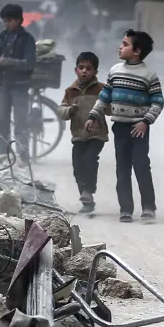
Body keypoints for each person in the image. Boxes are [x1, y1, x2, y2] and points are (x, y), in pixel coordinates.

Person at [86, 30, 163, 222]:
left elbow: (158, 102)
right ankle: (126, 209)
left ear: (137, 51)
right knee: (122, 168)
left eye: (125, 44)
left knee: (141, 166)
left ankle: (148, 206)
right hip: (119, 128)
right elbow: (104, 97)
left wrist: (145, 122)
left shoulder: (149, 74)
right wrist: (93, 115)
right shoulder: (115, 71)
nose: (120, 47)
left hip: (139, 129)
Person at [58, 51, 108, 214]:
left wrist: (107, 105)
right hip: (78, 135)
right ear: (76, 70)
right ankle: (86, 199)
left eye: (89, 68)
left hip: (96, 134)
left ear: (95, 72)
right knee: (77, 166)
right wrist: (69, 111)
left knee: (89, 160)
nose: (84, 71)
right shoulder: (70, 91)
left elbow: (109, 109)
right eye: (81, 67)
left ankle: (89, 190)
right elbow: (61, 111)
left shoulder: (102, 89)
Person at [0, 4, 37, 160]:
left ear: (18, 20)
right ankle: (3, 154)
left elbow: (29, 63)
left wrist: (10, 62)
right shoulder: (2, 37)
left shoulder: (27, 39)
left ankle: (23, 156)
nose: (6, 24)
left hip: (20, 86)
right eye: (4, 21)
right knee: (1, 121)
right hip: (3, 85)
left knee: (20, 122)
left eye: (9, 21)